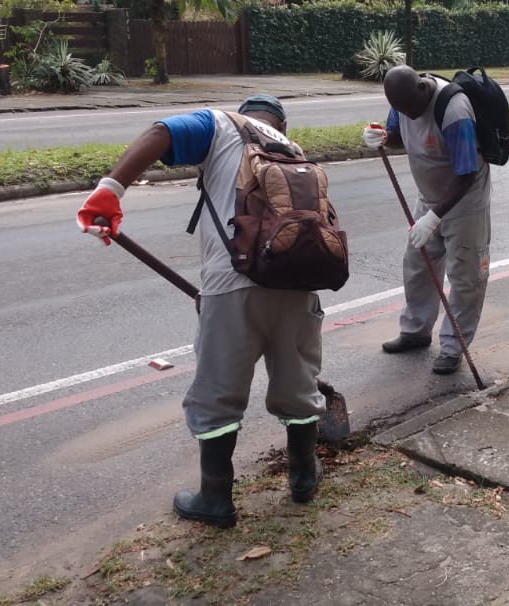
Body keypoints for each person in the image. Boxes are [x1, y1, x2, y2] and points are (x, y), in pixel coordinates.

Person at [75, 95, 326, 529]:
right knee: (297, 384)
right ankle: (303, 476)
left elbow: (161, 132)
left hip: (231, 288)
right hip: (299, 288)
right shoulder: (293, 150)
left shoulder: (220, 123)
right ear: (282, 123)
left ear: (245, 113)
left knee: (218, 392)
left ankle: (215, 497)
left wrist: (109, 191)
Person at [363, 65, 492, 376]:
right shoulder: (403, 102)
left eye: (409, 109)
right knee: (417, 264)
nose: (406, 114)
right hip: (428, 197)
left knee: (465, 277)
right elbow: (398, 138)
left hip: (465, 204)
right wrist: (381, 137)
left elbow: (466, 173)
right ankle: (415, 330)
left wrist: (434, 217)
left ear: (422, 88)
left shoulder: (454, 111)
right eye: (399, 110)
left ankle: (453, 347)